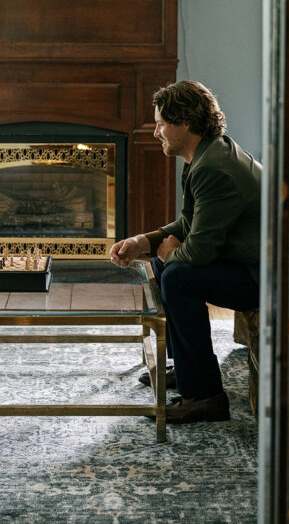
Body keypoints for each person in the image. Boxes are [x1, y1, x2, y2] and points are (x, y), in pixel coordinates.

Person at [109, 81, 261, 424]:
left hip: (264, 276)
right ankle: (187, 367)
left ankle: (205, 397)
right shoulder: (206, 153)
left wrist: (166, 254)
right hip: (246, 261)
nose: (156, 132)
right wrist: (144, 242)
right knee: (169, 269)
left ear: (186, 123)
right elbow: (191, 222)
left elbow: (199, 252)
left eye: (162, 123)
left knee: (178, 276)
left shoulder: (213, 168)